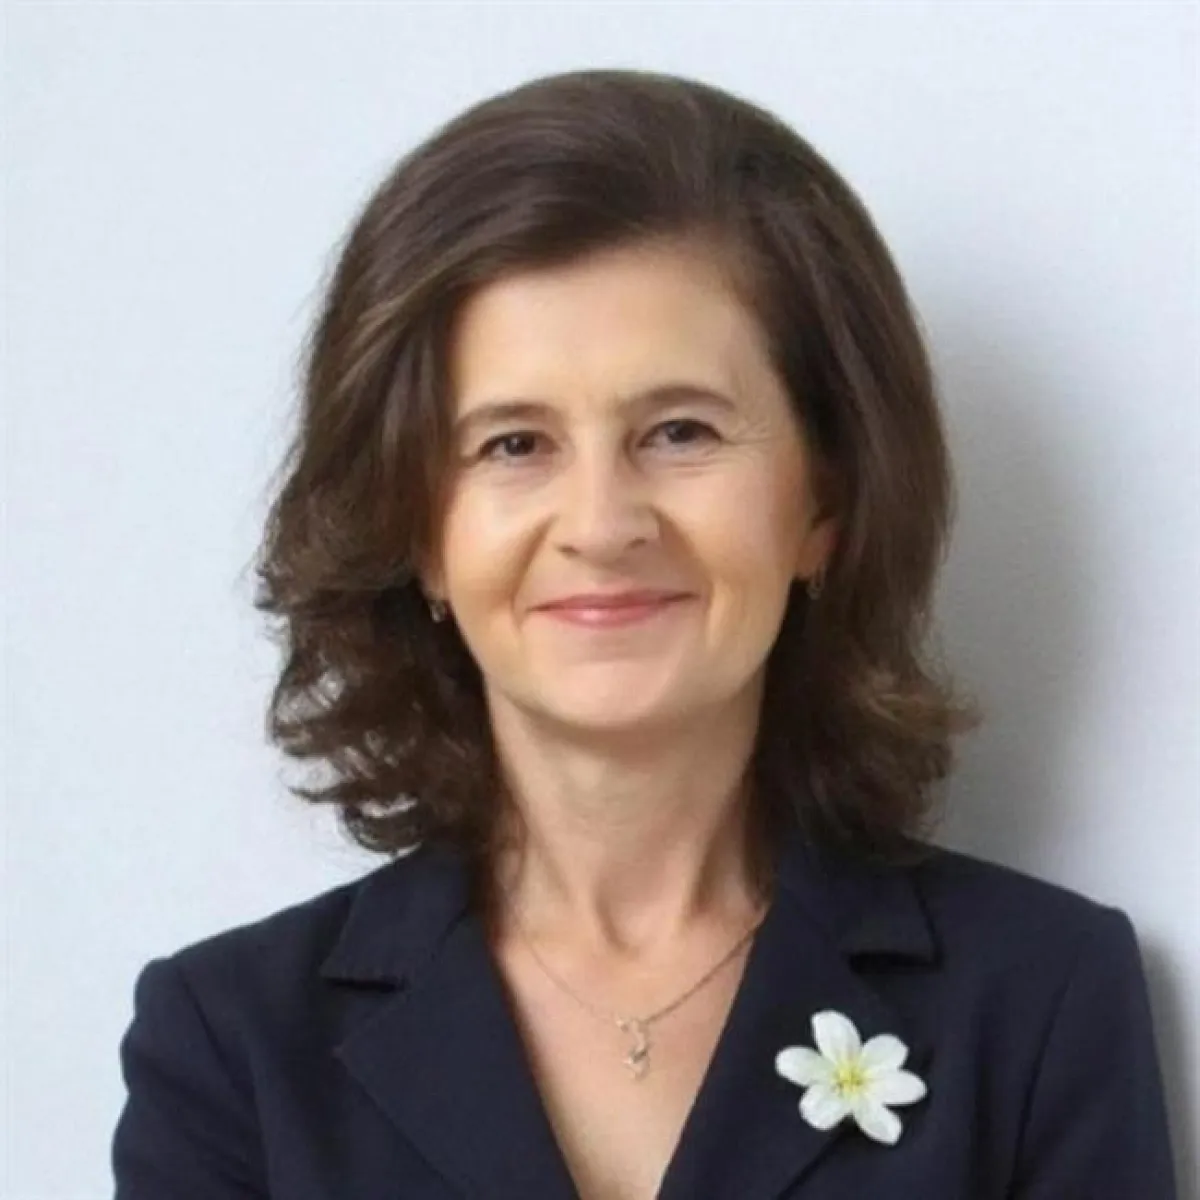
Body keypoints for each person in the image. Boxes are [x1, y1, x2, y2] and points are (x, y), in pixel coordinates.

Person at [110, 68, 1178, 1199]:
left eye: (679, 431)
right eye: (514, 444)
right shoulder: (231, 1048)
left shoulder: (1042, 1000)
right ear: (416, 531)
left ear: (825, 502)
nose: (602, 525)